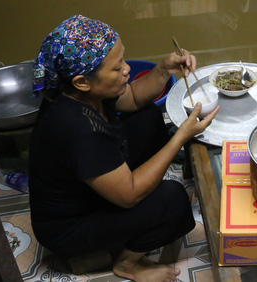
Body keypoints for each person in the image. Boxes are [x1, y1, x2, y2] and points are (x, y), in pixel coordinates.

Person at [29, 14, 219, 281]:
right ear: (82, 81)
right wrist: (181, 136)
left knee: (146, 116)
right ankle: (128, 264)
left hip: (91, 189)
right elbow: (128, 195)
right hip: (70, 228)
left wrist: (163, 69)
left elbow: (131, 98)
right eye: (117, 69)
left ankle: (138, 192)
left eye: (123, 60)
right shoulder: (77, 129)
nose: (127, 70)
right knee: (172, 200)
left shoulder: (81, 93)